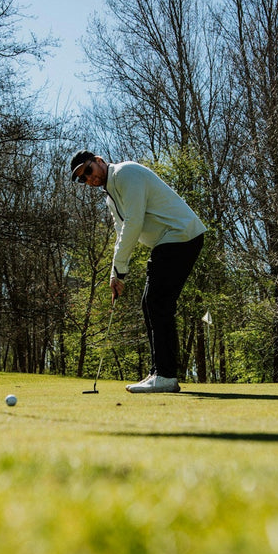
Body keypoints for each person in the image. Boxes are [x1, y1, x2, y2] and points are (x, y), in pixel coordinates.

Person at [70, 150, 206, 393]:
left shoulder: (125, 173)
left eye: (88, 171)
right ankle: (159, 372)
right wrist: (116, 273)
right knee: (150, 303)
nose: (89, 179)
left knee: (157, 302)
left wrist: (121, 268)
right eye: (83, 178)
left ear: (99, 161)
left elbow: (134, 222)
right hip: (171, 240)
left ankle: (165, 374)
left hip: (180, 235)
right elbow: (122, 233)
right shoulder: (111, 198)